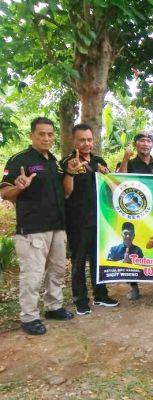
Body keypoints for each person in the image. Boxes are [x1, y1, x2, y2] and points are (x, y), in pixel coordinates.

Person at [0, 117, 73, 335]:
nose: (46, 138)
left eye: (50, 134)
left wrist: (70, 172)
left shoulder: (55, 162)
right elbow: (4, 192)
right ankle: (29, 317)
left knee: (56, 271)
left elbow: (66, 192)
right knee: (33, 276)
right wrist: (19, 187)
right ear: (31, 135)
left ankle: (53, 307)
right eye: (41, 134)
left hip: (57, 226)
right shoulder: (19, 160)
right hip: (33, 229)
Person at [62, 124, 118, 315]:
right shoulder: (67, 163)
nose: (86, 143)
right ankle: (80, 300)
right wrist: (72, 172)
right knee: (78, 262)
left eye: (89, 139)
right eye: (81, 140)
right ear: (73, 141)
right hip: (77, 222)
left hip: (99, 220)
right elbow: (66, 192)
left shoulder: (98, 161)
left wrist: (105, 173)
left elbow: (109, 186)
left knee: (98, 260)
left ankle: (101, 295)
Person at [116, 131, 153, 300]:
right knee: (132, 247)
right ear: (135, 144)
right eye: (142, 141)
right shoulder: (128, 164)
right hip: (134, 212)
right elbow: (120, 179)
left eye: (148, 141)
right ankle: (134, 286)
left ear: (152, 144)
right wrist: (125, 158)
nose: (145, 144)